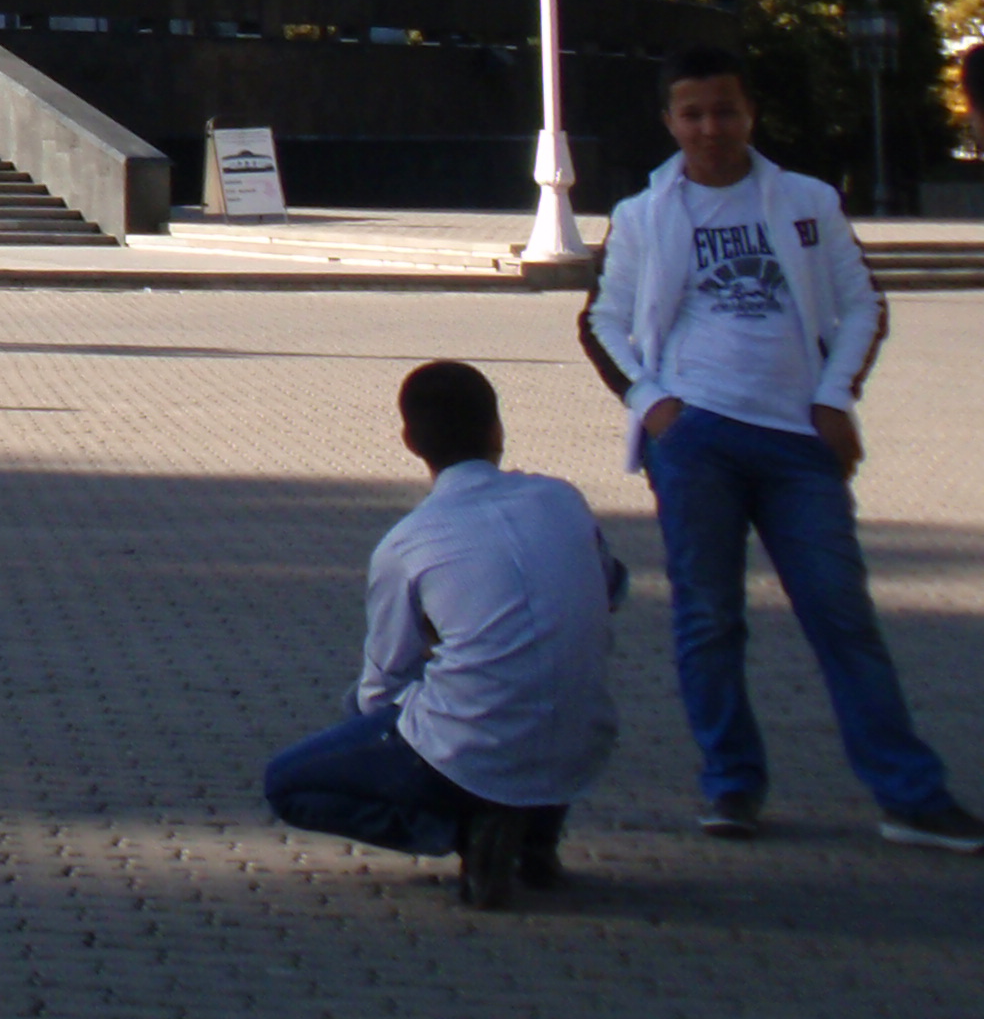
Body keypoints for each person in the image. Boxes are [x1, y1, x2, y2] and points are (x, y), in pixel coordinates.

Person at [582, 44, 980, 853]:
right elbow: (601, 321)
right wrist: (655, 408)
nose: (711, 128)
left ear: (751, 114)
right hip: (697, 442)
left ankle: (910, 795)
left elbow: (862, 305)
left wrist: (835, 397)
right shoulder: (644, 216)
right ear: (669, 122)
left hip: (799, 441)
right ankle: (731, 784)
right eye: (693, 114)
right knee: (709, 620)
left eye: (725, 111)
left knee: (842, 615)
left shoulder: (806, 201)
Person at [262, 361, 624, 908]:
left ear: (410, 441)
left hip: (475, 749)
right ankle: (534, 833)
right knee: (537, 673)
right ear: (498, 429)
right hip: (584, 738)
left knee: (289, 782)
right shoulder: (562, 500)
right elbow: (611, 587)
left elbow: (384, 682)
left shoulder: (408, 543)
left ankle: (467, 828)